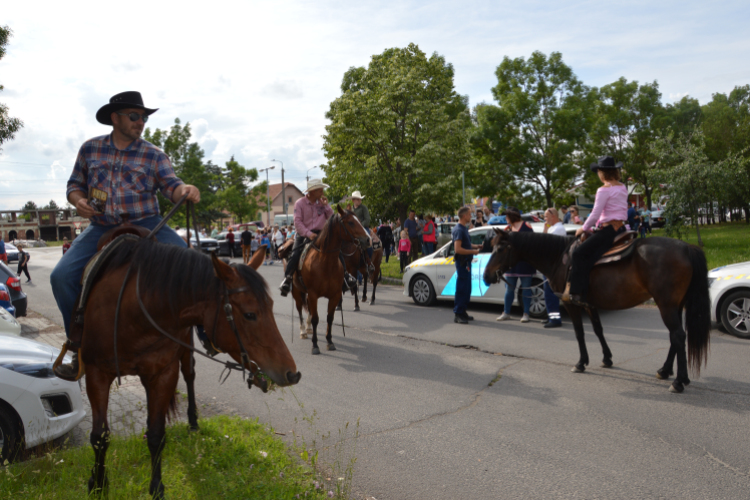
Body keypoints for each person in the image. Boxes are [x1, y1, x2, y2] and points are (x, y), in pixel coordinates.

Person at [51, 91, 201, 379]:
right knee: (60, 276)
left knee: (197, 266)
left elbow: (172, 186)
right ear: (115, 118)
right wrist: (78, 201)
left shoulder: (154, 154)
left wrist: (186, 190)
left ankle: (208, 334)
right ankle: (79, 345)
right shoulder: (90, 149)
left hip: (149, 224)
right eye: (135, 116)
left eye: (143, 117)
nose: (141, 122)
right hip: (102, 225)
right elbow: (74, 185)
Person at [563, 156, 628, 305]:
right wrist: (593, 228)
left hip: (608, 231)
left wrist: (583, 228)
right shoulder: (622, 187)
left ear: (602, 172)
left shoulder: (603, 190)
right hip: (621, 228)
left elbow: (595, 214)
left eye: (598, 171)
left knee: (579, 254)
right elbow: (609, 212)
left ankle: (576, 294)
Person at [278, 178, 357, 296]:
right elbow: (297, 222)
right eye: (320, 190)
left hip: (321, 234)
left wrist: (326, 206)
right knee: (295, 253)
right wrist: (309, 234)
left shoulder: (322, 203)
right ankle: (287, 279)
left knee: (337, 251)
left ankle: (345, 276)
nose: (322, 192)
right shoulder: (300, 203)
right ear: (313, 191)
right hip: (304, 233)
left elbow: (332, 219)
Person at [496, 207, 535, 323]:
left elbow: (532, 242)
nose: (505, 218)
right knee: (509, 290)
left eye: (507, 216)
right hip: (511, 264)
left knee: (526, 289)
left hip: (525, 264)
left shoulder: (526, 225)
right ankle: (506, 312)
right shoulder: (507, 228)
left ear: (512, 216)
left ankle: (526, 313)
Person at [452, 207, 481, 324]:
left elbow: (466, 244)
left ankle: (463, 311)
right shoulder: (459, 229)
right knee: (462, 289)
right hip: (462, 263)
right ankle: (458, 314)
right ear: (464, 216)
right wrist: (473, 252)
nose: (471, 217)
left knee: (467, 289)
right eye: (469, 214)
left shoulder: (463, 228)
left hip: (467, 263)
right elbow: (458, 249)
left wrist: (477, 246)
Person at [542, 208, 567, 328]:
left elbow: (544, 245)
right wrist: (546, 228)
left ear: (553, 216)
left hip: (553, 267)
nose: (545, 219)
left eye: (546, 216)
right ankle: (550, 316)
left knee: (551, 293)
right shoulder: (553, 228)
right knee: (548, 293)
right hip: (550, 266)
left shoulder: (558, 229)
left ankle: (555, 320)